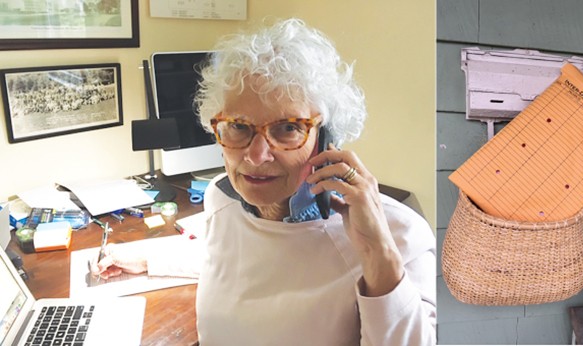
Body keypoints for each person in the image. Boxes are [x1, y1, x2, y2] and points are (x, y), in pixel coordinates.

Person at [92, 18, 436, 345]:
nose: (256, 156)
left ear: (327, 139)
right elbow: (233, 258)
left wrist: (377, 253)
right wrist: (148, 259)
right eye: (239, 126)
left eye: (288, 128)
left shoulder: (401, 235)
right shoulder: (221, 198)